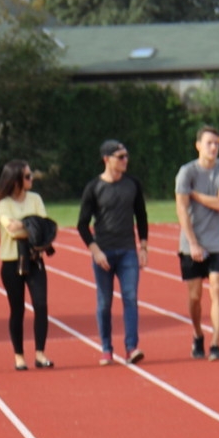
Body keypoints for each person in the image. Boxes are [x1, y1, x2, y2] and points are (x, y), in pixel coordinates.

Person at [78, 139, 148, 365]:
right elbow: (82, 224)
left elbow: (142, 216)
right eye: (121, 157)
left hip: (127, 251)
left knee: (130, 297)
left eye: (126, 156)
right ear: (107, 159)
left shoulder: (133, 184)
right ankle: (107, 348)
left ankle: (131, 347)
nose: (126, 160)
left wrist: (144, 246)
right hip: (104, 252)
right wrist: (95, 251)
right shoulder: (94, 188)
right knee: (104, 302)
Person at [175, 125, 219, 361]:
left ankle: (216, 342)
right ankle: (198, 333)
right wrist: (193, 243)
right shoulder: (186, 172)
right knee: (195, 296)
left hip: (217, 240)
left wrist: (196, 195)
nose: (213, 147)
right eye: (209, 143)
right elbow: (181, 207)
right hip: (192, 242)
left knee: (217, 287)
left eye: (216, 143)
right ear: (198, 145)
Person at [0, 159, 53, 370]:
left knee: (41, 305)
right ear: (15, 179)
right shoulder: (3, 204)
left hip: (35, 260)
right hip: (11, 262)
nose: (31, 179)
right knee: (17, 310)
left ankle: (40, 353)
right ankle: (19, 355)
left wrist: (25, 225)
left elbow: (44, 228)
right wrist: (31, 224)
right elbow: (11, 229)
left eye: (30, 175)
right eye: (27, 176)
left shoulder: (35, 198)